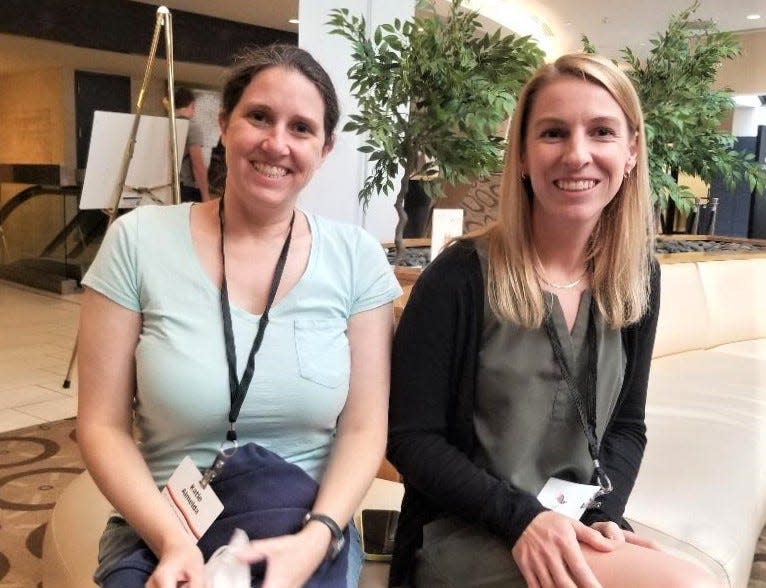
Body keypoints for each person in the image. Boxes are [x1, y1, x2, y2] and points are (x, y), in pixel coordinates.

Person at [386, 53, 722, 588]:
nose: (578, 154)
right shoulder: (459, 278)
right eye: (553, 133)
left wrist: (605, 515)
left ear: (632, 152)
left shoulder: (638, 278)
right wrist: (523, 520)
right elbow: (410, 441)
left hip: (576, 522)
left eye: (602, 132)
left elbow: (627, 427)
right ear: (521, 154)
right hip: (468, 530)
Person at [77, 44, 401, 588]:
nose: (277, 143)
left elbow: (365, 428)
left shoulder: (356, 258)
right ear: (224, 124)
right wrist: (174, 543)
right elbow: (102, 425)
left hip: (303, 526)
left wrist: (316, 537)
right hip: (161, 524)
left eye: (301, 128)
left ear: (324, 149)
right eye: (259, 117)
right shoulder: (137, 241)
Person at [174, 86, 211, 203]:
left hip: (165, 188)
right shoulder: (192, 127)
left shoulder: (166, 125)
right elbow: (197, 164)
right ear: (192, 105)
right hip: (185, 188)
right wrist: (205, 195)